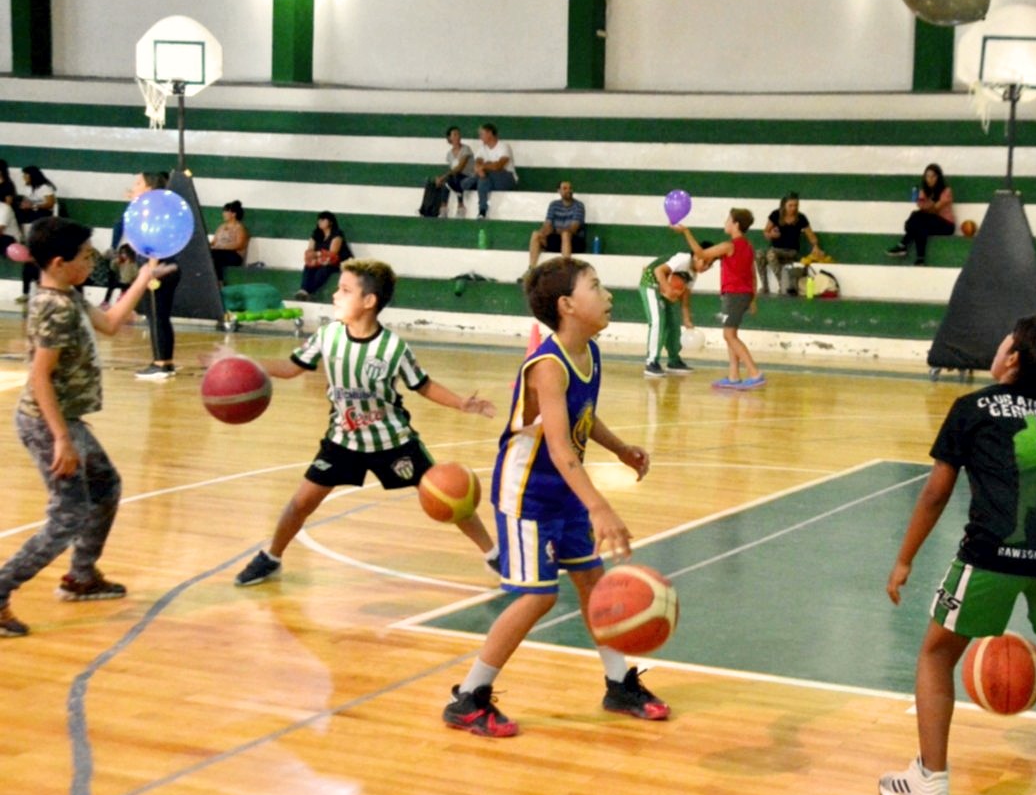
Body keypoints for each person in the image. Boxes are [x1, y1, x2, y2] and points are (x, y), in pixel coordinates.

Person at [880, 313, 1036, 795]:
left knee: (936, 654)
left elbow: (935, 492)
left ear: (1011, 358)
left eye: (1004, 340)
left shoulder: (971, 406)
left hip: (993, 549)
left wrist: (904, 558)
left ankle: (929, 780)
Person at [443, 257, 665, 737]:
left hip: (563, 489)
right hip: (529, 494)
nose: (608, 295)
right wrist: (600, 505)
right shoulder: (548, 364)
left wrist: (620, 447)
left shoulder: (590, 351)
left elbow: (582, 418)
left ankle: (617, 684)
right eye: (596, 286)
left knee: (592, 582)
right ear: (567, 305)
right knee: (537, 596)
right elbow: (561, 447)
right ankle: (469, 696)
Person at [232, 258, 499, 587]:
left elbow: (423, 385)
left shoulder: (393, 348)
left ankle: (493, 554)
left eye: (344, 290)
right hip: (343, 440)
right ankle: (271, 557)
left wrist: (462, 403)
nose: (335, 295)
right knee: (301, 503)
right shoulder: (327, 336)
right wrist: (243, 362)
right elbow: (290, 368)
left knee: (446, 492)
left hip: (393, 441)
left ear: (369, 301)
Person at [0, 217, 160, 638]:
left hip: (63, 421)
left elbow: (109, 324)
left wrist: (143, 278)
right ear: (58, 262)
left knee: (106, 486)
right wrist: (61, 439)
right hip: (47, 423)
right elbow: (39, 378)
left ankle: (81, 577)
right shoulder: (52, 308)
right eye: (86, 256)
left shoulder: (67, 293)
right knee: (67, 516)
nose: (93, 261)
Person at [675, 210, 764, 390]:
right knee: (732, 335)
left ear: (736, 224)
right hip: (742, 294)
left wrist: (686, 232)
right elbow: (753, 274)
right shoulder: (748, 246)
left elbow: (700, 253)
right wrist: (753, 297)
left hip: (734, 295)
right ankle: (733, 376)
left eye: (728, 220)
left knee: (728, 335)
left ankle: (755, 373)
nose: (725, 223)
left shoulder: (728, 246)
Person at [123, 171, 181, 380]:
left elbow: (156, 242)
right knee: (160, 317)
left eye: (138, 183)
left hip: (159, 270)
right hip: (164, 269)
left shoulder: (155, 212)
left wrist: (151, 273)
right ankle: (165, 362)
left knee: (157, 318)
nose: (134, 186)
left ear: (149, 188)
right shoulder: (152, 209)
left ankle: (161, 364)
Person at [639, 243, 713, 377]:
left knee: (673, 323)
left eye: (710, 265)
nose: (706, 267)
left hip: (666, 290)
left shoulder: (693, 274)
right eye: (706, 262)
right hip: (651, 285)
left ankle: (673, 360)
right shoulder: (683, 259)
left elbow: (685, 297)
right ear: (697, 255)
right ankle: (651, 362)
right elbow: (658, 271)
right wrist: (668, 290)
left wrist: (686, 318)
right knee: (658, 322)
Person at [886, 163, 956, 265]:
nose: (930, 179)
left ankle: (903, 245)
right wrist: (922, 205)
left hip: (946, 224)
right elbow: (922, 206)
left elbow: (935, 209)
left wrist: (925, 205)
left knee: (917, 217)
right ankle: (920, 259)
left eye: (933, 176)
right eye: (927, 176)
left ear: (938, 177)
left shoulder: (946, 191)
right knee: (920, 226)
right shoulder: (924, 191)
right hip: (930, 222)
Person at [758, 191, 821, 295]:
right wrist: (771, 235)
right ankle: (764, 286)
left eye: (796, 205)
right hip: (775, 248)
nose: (793, 208)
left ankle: (783, 284)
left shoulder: (801, 218)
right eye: (790, 205)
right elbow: (765, 232)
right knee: (759, 254)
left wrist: (815, 246)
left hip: (791, 251)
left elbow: (811, 235)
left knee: (771, 255)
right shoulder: (775, 214)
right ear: (784, 205)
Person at [16, 166, 59, 302]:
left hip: (43, 223)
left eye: (26, 176)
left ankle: (43, 288)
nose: (24, 178)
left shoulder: (44, 188)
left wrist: (34, 206)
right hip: (30, 223)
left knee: (39, 259)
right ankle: (26, 291)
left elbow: (50, 203)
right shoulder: (28, 189)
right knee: (29, 260)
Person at [461, 122, 517, 219]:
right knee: (483, 178)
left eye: (482, 134)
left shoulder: (504, 146)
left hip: (506, 179)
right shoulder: (482, 149)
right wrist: (482, 169)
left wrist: (483, 168)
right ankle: (482, 211)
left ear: (490, 133)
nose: (480, 137)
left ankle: (466, 183)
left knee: (484, 174)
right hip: (489, 179)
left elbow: (498, 166)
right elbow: (477, 164)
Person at [526, 181, 586, 270]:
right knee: (536, 234)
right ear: (559, 191)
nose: (569, 190)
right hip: (556, 239)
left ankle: (566, 269)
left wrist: (554, 230)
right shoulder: (553, 205)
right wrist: (543, 233)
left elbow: (573, 229)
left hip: (574, 241)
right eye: (565, 188)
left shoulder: (578, 205)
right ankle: (531, 269)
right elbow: (547, 225)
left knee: (565, 234)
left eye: (570, 188)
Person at [295, 211, 351, 301]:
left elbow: (333, 254)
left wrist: (317, 254)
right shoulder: (316, 234)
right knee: (308, 267)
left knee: (325, 269)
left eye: (323, 219)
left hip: (337, 262)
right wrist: (316, 257)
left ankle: (308, 291)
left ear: (331, 222)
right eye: (319, 220)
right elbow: (309, 251)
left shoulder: (337, 234)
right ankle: (303, 290)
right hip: (321, 260)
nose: (320, 222)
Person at [208, 200, 250, 286]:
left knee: (215, 256)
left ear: (233, 214)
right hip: (218, 253)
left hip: (234, 256)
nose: (223, 213)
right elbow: (214, 242)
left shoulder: (239, 228)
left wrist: (221, 247)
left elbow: (239, 245)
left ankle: (219, 283)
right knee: (209, 255)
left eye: (226, 211)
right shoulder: (221, 227)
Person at [436, 125, 474, 218]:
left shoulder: (466, 149)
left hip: (468, 176)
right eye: (455, 134)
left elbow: (460, 167)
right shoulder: (449, 154)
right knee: (448, 181)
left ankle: (461, 206)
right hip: (456, 177)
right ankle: (443, 208)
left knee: (453, 177)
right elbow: (452, 169)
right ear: (450, 138)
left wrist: (443, 177)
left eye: (458, 134)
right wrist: (442, 178)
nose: (458, 136)